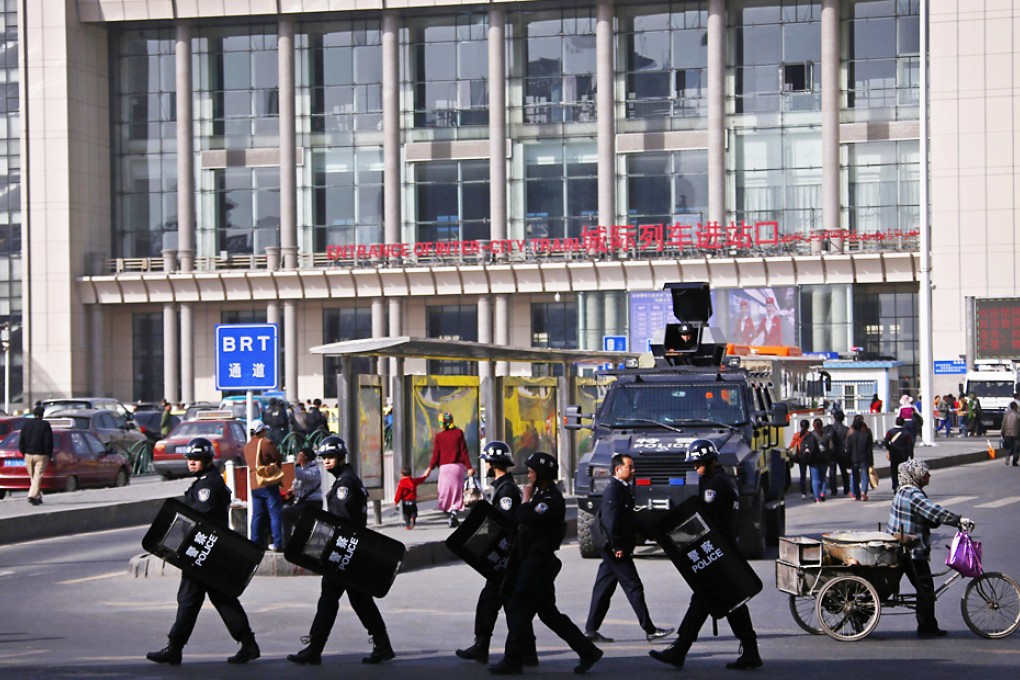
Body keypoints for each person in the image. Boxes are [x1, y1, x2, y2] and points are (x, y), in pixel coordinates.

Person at [146, 437, 261, 665]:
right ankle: (248, 644)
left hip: (202, 553)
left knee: (189, 599)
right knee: (222, 598)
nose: (192, 463)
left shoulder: (207, 485)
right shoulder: (205, 481)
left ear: (207, 460)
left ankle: (175, 648)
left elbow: (200, 518)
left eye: (197, 459)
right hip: (207, 552)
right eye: (190, 459)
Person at [649, 439, 762, 670]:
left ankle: (681, 650)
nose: (695, 467)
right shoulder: (722, 480)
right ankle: (747, 651)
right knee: (724, 601)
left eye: (698, 463)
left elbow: (705, 521)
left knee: (714, 601)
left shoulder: (714, 485)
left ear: (711, 461)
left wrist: (678, 538)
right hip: (723, 551)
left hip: (717, 552)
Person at [489, 452, 603, 675]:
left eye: (532, 470)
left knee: (519, 607)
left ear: (541, 474)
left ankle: (513, 659)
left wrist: (525, 499)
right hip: (531, 560)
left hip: (538, 562)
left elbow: (524, 517)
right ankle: (587, 651)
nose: (529, 474)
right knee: (548, 613)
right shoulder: (542, 495)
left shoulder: (550, 499)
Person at [288, 436, 395, 666]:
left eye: (331, 457)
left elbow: (342, 522)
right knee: (359, 599)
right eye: (324, 457)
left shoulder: (345, 484)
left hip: (344, 551)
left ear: (341, 457)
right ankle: (382, 644)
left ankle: (315, 648)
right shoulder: (346, 479)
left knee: (329, 599)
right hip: (350, 551)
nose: (326, 461)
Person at [456, 440, 537, 666]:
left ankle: (484, 647)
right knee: (511, 606)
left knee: (495, 603)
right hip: (506, 559)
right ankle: (526, 653)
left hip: (506, 560)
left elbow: (505, 523)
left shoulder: (506, 490)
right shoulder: (502, 487)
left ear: (492, 464)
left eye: (488, 462)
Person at [583, 453, 672, 644]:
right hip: (614, 547)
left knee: (604, 588)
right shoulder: (613, 490)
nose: (633, 470)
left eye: (633, 467)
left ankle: (591, 630)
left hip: (615, 546)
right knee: (634, 586)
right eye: (629, 467)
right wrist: (616, 546)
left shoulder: (623, 489)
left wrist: (652, 534)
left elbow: (629, 519)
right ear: (618, 469)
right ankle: (650, 630)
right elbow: (610, 520)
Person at [887, 460, 974, 637]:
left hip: (902, 549)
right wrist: (958, 520)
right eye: (924, 472)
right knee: (925, 589)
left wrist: (938, 521)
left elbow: (928, 517)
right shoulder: (913, 494)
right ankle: (927, 627)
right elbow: (934, 511)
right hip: (911, 551)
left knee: (914, 588)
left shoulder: (905, 491)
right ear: (915, 475)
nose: (928, 475)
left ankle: (927, 625)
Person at [425, 411, 474, 528]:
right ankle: (453, 514)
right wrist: (469, 467)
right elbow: (464, 452)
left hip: (444, 469)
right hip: (457, 468)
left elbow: (435, 455)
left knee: (444, 493)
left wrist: (429, 469)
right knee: (457, 492)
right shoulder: (459, 433)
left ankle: (450, 515)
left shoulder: (439, 437)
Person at [244, 420, 284, 551]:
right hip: (268, 483)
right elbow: (277, 458)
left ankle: (254, 542)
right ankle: (277, 543)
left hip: (254, 485)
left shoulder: (247, 447)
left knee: (257, 515)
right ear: (261, 431)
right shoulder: (266, 443)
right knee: (275, 514)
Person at [280, 445, 323, 547]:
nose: (297, 457)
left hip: (313, 504)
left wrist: (298, 463)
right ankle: (299, 541)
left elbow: (301, 476)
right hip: (304, 502)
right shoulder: (305, 469)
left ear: (305, 457)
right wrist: (293, 490)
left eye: (300, 455)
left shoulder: (314, 470)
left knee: (285, 514)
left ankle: (287, 544)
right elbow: (297, 482)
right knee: (290, 515)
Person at [18, 404, 54, 506]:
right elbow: (48, 441)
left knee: (33, 477)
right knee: (38, 476)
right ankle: (32, 495)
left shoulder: (26, 425)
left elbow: (22, 439)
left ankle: (38, 497)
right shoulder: (45, 425)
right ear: (42, 415)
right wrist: (49, 454)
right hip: (41, 455)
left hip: (28, 454)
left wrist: (23, 451)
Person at [801, 418, 831, 502]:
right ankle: (823, 493)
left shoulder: (810, 436)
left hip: (813, 460)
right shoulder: (826, 436)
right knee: (823, 478)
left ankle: (817, 497)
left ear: (813, 426)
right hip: (824, 459)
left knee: (814, 479)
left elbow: (803, 446)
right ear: (822, 425)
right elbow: (830, 447)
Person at [847, 415, 874, 501]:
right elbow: (869, 449)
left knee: (855, 477)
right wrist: (871, 461)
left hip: (853, 459)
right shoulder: (865, 436)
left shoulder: (850, 437)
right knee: (864, 476)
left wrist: (848, 461)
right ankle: (863, 492)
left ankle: (857, 494)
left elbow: (848, 450)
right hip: (864, 458)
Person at [883, 416, 914, 492]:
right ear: (903, 423)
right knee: (903, 471)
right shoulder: (907, 433)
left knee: (893, 471)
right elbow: (910, 444)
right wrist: (911, 454)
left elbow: (885, 442)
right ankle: (902, 485)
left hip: (894, 454)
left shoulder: (890, 432)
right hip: (904, 455)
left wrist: (889, 449)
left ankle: (895, 485)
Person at [825, 411, 850, 496]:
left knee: (832, 472)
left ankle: (833, 490)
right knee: (844, 471)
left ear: (834, 418)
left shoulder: (830, 428)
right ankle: (846, 489)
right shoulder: (846, 429)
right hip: (842, 453)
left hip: (832, 453)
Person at [788, 419, 811, 499]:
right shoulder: (810, 434)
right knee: (812, 475)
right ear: (808, 426)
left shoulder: (797, 435)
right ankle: (811, 491)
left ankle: (803, 493)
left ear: (800, 426)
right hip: (810, 457)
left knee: (802, 476)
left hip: (801, 457)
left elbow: (792, 445)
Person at [1001, 401, 1020, 467]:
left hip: (1007, 434)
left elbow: (1003, 424)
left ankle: (1008, 455)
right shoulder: (1018, 415)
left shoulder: (1006, 415)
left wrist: (1002, 432)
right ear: (1015, 407)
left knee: (1009, 447)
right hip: (1016, 434)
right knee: (1016, 448)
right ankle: (1014, 461)